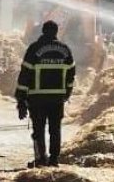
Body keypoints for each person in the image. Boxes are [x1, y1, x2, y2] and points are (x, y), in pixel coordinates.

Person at [15, 20, 76, 167]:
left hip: (37, 97)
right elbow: (71, 74)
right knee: (55, 129)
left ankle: (41, 159)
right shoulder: (65, 50)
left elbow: (24, 75)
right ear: (56, 32)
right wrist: (67, 93)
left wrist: (21, 100)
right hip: (57, 99)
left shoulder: (34, 48)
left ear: (42, 31)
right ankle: (54, 160)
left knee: (38, 129)